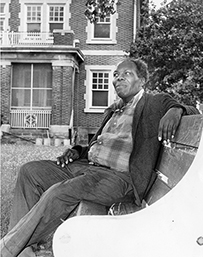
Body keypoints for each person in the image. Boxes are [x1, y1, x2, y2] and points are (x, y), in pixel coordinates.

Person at [0, 57, 199, 257]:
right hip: (88, 168)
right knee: (31, 172)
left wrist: (176, 110)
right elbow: (102, 145)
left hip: (119, 178)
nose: (118, 79)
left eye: (127, 74)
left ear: (142, 80)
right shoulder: (114, 110)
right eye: (116, 75)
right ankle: (24, 251)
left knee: (60, 192)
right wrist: (78, 151)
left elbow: (193, 111)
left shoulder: (154, 103)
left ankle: (7, 250)